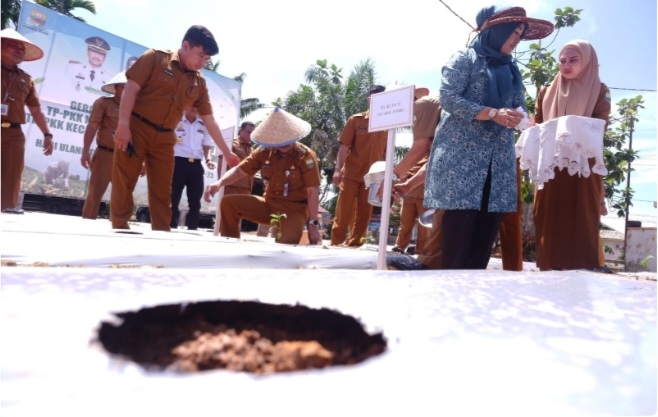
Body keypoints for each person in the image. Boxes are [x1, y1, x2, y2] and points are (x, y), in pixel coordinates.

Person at [424, 6, 553, 269]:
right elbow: (448, 97)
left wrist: (519, 116)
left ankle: (473, 296)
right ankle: (450, 292)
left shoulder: (512, 69)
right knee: (459, 229)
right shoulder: (465, 58)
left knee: (486, 228)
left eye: (520, 34)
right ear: (498, 31)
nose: (517, 39)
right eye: (513, 33)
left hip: (498, 160)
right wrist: (491, 112)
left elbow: (519, 104)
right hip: (463, 160)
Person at [111, 25, 240, 231]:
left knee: (164, 190)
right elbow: (131, 90)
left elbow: (209, 120)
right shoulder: (155, 58)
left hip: (165, 137)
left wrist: (227, 152)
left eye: (207, 59)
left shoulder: (199, 82)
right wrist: (123, 125)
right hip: (136, 128)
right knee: (124, 181)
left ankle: (162, 233)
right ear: (185, 45)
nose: (202, 62)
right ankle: (119, 228)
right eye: (200, 55)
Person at [533, 40, 611, 272]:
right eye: (563, 60)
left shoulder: (599, 90)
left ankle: (585, 268)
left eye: (573, 60)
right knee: (548, 214)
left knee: (582, 215)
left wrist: (571, 128)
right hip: (551, 162)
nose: (566, 65)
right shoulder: (547, 92)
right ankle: (548, 266)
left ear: (587, 61)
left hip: (582, 163)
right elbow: (537, 122)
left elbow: (601, 124)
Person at [204, 107, 322, 245]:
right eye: (280, 139)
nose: (285, 143)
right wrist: (219, 183)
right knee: (229, 203)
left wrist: (313, 224)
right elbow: (239, 171)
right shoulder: (263, 152)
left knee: (286, 244)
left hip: (294, 209)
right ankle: (232, 248)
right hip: (269, 204)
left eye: (288, 138)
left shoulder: (305, 156)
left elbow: (312, 191)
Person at [1, 28, 54, 213]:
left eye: (22, 48)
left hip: (14, 133)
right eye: (13, 45)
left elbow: (36, 110)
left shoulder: (26, 79)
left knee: (12, 175)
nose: (19, 50)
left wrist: (47, 134)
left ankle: (6, 212)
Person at [330, 84, 388, 247]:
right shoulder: (356, 120)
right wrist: (337, 170)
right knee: (343, 211)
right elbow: (344, 147)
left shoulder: (388, 125)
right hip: (351, 173)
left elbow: (386, 154)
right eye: (374, 98)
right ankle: (336, 243)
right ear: (368, 100)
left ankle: (355, 244)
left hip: (373, 176)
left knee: (365, 213)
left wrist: (386, 176)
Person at [390, 88, 441, 255]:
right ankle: (401, 246)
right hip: (410, 194)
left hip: (425, 194)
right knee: (406, 224)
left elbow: (420, 149)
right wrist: (406, 184)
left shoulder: (424, 106)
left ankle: (423, 251)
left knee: (425, 224)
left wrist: (393, 176)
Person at [80, 72, 126, 219]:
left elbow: (140, 136)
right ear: (116, 88)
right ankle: (87, 223)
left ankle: (119, 228)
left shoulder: (137, 110)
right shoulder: (104, 103)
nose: (126, 91)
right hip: (104, 154)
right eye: (123, 87)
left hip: (126, 156)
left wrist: (142, 161)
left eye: (129, 88)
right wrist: (85, 152)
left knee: (123, 196)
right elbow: (92, 126)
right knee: (95, 194)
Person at [170, 107, 216, 230]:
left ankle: (192, 228)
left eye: (197, 107)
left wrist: (209, 160)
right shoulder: (176, 121)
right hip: (177, 163)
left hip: (196, 165)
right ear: (185, 107)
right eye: (192, 106)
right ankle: (170, 225)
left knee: (195, 200)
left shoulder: (203, 125)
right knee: (173, 198)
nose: (194, 109)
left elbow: (207, 146)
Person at [223, 121, 256, 196]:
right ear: (241, 130)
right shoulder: (232, 144)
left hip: (246, 189)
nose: (251, 135)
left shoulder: (252, 150)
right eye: (249, 132)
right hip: (231, 187)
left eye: (253, 133)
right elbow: (222, 164)